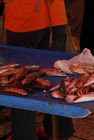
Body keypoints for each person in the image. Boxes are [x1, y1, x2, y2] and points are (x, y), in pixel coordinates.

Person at [3, 0, 75, 140]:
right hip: (55, 17)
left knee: (21, 79)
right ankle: (58, 129)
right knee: (57, 74)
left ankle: (24, 134)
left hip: (24, 18)